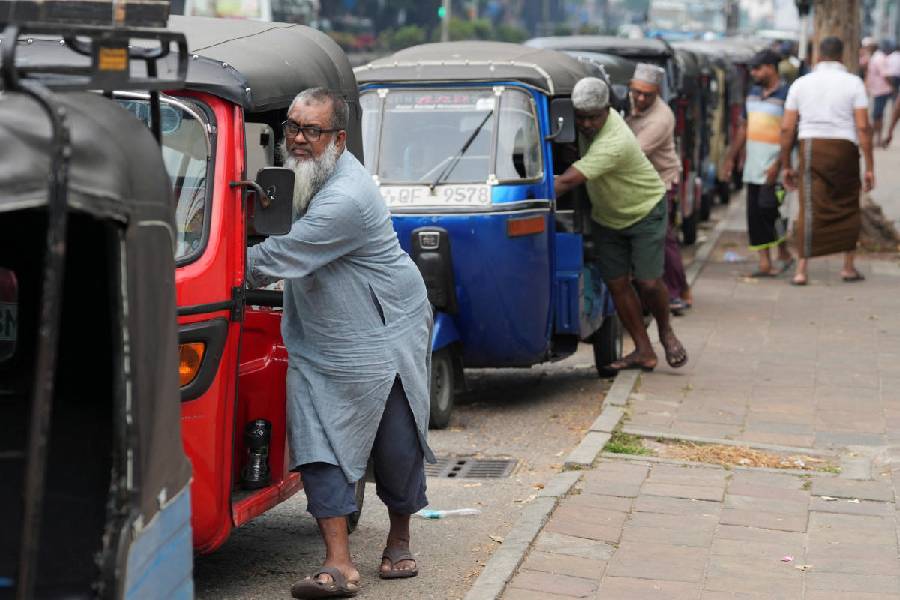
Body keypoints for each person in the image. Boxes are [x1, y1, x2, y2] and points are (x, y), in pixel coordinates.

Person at [245, 88, 434, 598]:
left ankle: (399, 538)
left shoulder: (348, 195)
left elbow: (283, 252)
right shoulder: (300, 176)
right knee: (315, 439)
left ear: (340, 138)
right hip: (319, 336)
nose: (300, 139)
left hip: (383, 331)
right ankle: (338, 563)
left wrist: (211, 264)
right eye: (293, 127)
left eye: (313, 131)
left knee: (395, 441)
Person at [554, 77, 687, 371]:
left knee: (648, 283)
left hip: (644, 209)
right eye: (581, 118)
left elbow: (566, 182)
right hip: (608, 217)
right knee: (616, 284)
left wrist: (524, 193)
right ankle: (643, 350)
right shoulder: (580, 124)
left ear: (608, 110)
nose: (586, 124)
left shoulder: (615, 140)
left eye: (593, 118)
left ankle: (665, 332)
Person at [780, 37, 874, 286]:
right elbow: (863, 127)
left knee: (809, 204)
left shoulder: (801, 84)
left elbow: (787, 128)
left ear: (818, 56)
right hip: (845, 148)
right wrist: (870, 167)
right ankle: (848, 266)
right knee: (847, 203)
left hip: (811, 146)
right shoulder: (854, 83)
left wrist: (785, 164)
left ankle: (801, 270)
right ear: (842, 56)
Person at [624, 62, 692, 315]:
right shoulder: (628, 104)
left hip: (660, 181)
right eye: (637, 92)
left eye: (648, 95)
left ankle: (674, 293)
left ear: (658, 93)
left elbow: (631, 154)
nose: (641, 98)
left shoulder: (661, 119)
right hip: (637, 181)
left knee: (661, 237)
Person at [723, 49, 794, 277]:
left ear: (771, 68)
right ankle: (766, 261)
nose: (754, 73)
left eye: (757, 69)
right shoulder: (752, 94)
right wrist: (731, 157)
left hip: (776, 167)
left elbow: (790, 133)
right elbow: (744, 127)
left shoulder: (787, 95)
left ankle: (782, 252)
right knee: (755, 215)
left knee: (770, 211)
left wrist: (780, 165)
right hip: (753, 167)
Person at [865, 40, 892, 146]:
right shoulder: (875, 57)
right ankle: (877, 139)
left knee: (877, 115)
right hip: (877, 90)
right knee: (877, 115)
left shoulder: (878, 58)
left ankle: (877, 139)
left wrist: (891, 86)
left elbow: (885, 74)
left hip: (881, 90)